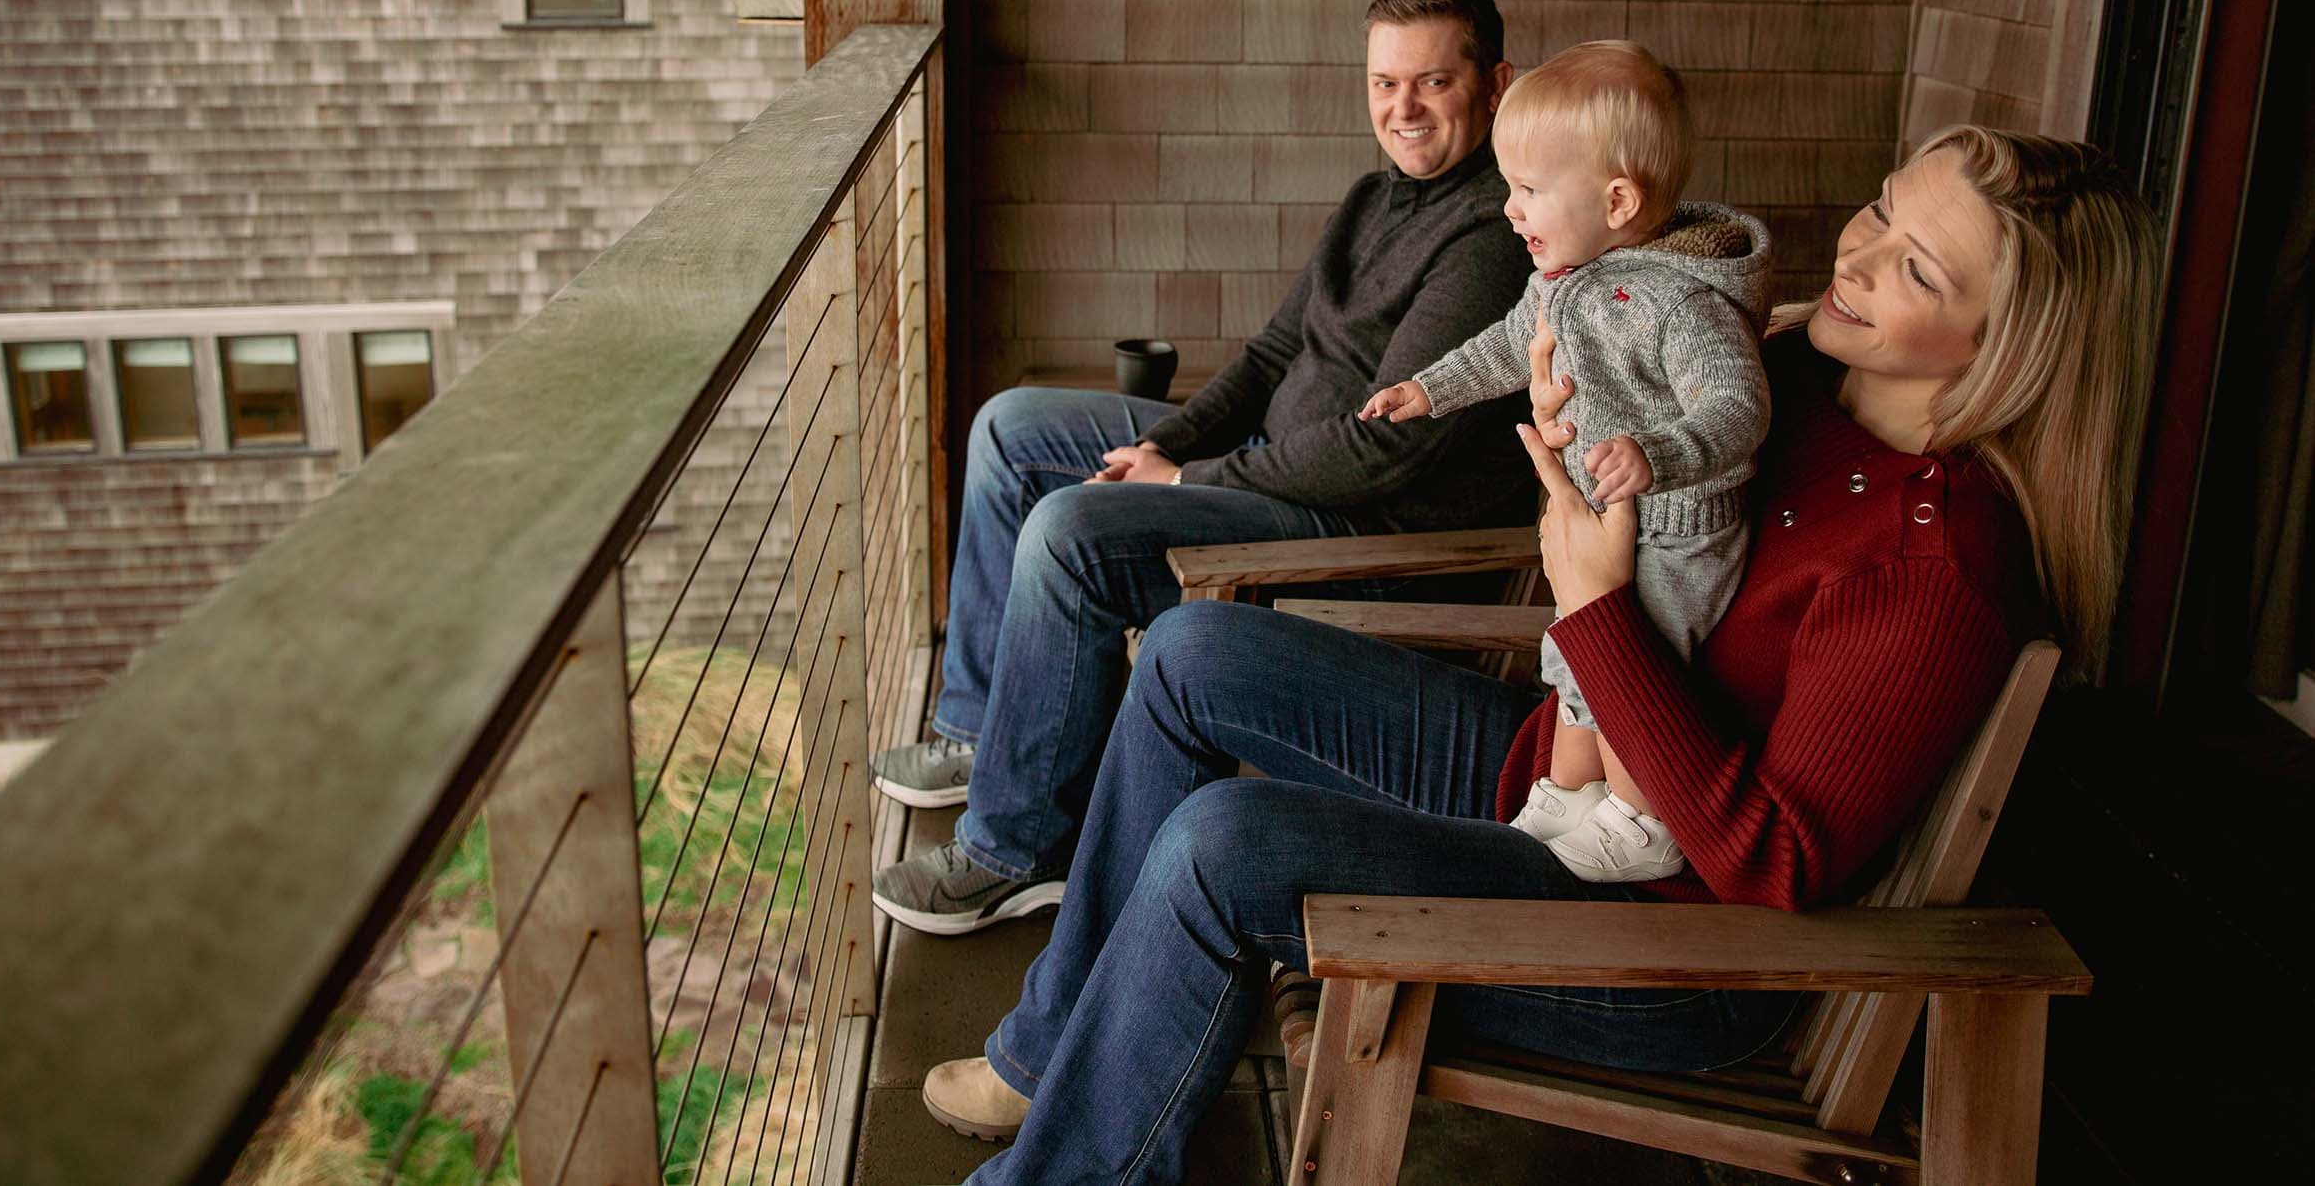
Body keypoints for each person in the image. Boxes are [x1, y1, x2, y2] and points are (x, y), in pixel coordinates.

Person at [915, 126, 2159, 1174]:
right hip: (1560, 779)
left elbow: (1770, 858)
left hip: (1670, 936)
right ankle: (1054, 1060)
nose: (1857, 255)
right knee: (1191, 651)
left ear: (2013, 345)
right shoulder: (1787, 381)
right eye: (1880, 213)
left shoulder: (1934, 561)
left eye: (1919, 270)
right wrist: (1565, 436)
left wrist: (1594, 604)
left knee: (1224, 844)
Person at [869, 0, 1537, 937]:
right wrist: (1163, 439)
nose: (1402, 108)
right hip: (1277, 467)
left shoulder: (1488, 236)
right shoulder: (1374, 198)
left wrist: (1186, 479)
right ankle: (984, 733)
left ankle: (1016, 848)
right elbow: (1273, 354)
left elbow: (1381, 455)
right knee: (1012, 430)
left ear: (1495, 84)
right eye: (1384, 84)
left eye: (1431, 83)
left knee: (1070, 533)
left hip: (1357, 527)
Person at [1360, 41, 1773, 884]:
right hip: (1599, 518)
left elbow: (1739, 406)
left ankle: (1645, 813)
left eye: (1529, 190)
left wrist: (1658, 452)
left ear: (1616, 200)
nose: (1510, 209)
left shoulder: (1684, 303)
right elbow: (1512, 344)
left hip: (1676, 532)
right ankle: (1573, 789)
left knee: (1629, 667)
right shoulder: (1563, 276)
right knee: (1576, 654)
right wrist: (1429, 389)